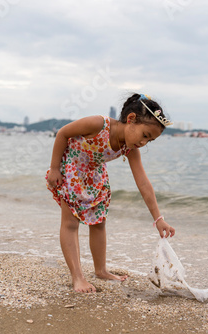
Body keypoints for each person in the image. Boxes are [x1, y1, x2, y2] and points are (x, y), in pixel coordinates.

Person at [46, 93, 175, 293]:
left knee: (99, 223)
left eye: (150, 141)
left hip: (95, 176)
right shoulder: (98, 124)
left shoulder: (129, 149)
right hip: (71, 169)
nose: (144, 143)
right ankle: (77, 277)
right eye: (145, 135)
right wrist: (54, 168)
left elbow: (143, 182)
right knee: (71, 223)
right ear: (131, 119)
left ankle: (101, 270)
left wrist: (158, 218)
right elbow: (62, 133)